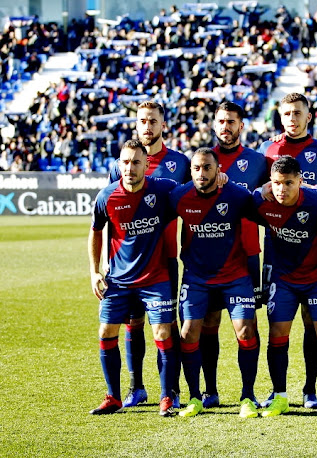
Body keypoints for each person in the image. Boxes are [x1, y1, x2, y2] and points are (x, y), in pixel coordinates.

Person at [258, 92, 317, 409]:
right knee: (278, 325)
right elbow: (258, 198)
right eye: (287, 113)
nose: (292, 118)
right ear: (280, 117)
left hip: (314, 254)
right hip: (278, 255)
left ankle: (310, 390)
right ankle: (278, 391)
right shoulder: (269, 151)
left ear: (309, 116)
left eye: (297, 113)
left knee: (314, 323)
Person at [109, 101, 190, 409]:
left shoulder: (180, 163)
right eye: (142, 120)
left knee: (166, 325)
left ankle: (170, 390)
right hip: (129, 261)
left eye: (153, 121)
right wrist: (107, 260)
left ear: (162, 125)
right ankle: (136, 387)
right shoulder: (122, 164)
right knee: (133, 323)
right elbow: (111, 214)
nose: (147, 126)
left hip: (165, 257)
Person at [88, 140, 178, 416]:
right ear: (119, 165)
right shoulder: (106, 197)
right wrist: (94, 271)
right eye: (125, 162)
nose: (129, 167)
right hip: (119, 281)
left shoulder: (163, 190)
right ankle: (113, 397)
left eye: (136, 162)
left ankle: (167, 396)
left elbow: (196, 193)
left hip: (155, 278)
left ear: (146, 165)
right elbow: (95, 232)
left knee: (162, 333)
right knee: (106, 332)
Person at [169, 147, 260, 418]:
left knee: (245, 330)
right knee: (188, 332)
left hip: (235, 275)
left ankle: (248, 396)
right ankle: (196, 397)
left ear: (218, 170)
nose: (201, 173)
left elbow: (265, 211)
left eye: (208, 167)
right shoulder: (179, 196)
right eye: (197, 168)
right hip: (197, 278)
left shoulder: (236, 195)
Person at [198, 101, 268, 409]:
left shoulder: (258, 161)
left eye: (231, 122)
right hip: (210, 258)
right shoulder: (203, 160)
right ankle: (210, 391)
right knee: (209, 323)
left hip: (247, 255)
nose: (225, 127)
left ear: (242, 126)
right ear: (214, 124)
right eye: (221, 121)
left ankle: (248, 392)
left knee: (247, 326)